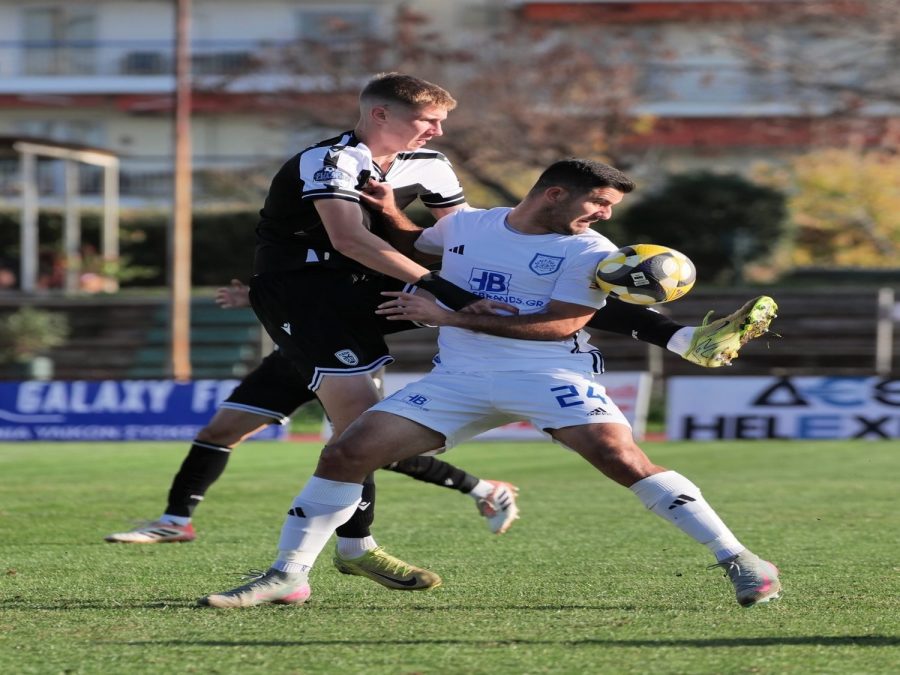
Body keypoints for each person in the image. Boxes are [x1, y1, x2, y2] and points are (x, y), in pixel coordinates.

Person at [111, 72, 775, 588]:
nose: (434, 132)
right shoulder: (336, 163)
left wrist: (445, 300)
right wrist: (412, 266)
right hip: (350, 314)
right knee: (324, 441)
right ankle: (291, 558)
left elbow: (537, 299)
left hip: (503, 352)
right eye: (426, 120)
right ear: (381, 115)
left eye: (439, 122)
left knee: (612, 454)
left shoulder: (573, 240)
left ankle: (729, 524)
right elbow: (409, 242)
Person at [198, 159, 781, 610]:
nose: (605, 214)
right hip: (461, 379)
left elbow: (561, 325)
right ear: (555, 193)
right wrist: (390, 212)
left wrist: (447, 316)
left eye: (609, 206)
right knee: (347, 451)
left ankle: (740, 559)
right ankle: (288, 576)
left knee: (620, 456)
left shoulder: (589, 251)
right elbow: (419, 244)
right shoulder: (469, 226)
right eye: (598, 202)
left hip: (550, 372)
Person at [104, 279, 521, 549]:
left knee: (360, 449)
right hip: (292, 360)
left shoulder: (368, 248)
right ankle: (176, 521)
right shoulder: (307, 238)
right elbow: (299, 293)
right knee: (218, 432)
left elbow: (391, 301)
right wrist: (251, 294)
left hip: (348, 365)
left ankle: (475, 492)